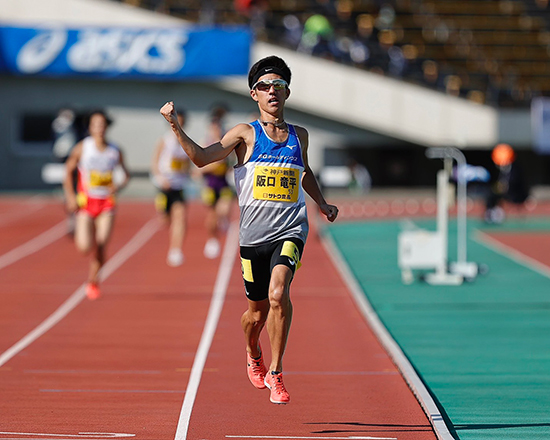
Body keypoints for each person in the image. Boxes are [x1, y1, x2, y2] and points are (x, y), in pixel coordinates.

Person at [160, 55, 338, 404]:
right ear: (254, 94)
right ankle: (252, 350)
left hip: (290, 230)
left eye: (279, 86)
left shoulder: (299, 135)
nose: (273, 91)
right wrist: (174, 126)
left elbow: (305, 172)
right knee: (255, 313)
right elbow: (199, 158)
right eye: (265, 87)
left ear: (287, 93)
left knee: (278, 294)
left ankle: (276, 372)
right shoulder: (244, 134)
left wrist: (321, 203)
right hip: (252, 238)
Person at [63, 110, 130, 300]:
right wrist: (70, 196)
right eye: (95, 125)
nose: (99, 129)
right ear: (90, 128)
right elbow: (67, 172)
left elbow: (126, 175)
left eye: (102, 125)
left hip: (107, 203)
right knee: (84, 247)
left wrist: (117, 185)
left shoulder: (115, 150)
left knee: (101, 245)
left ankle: (93, 280)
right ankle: (88, 232)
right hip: (86, 202)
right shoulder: (83, 148)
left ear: (107, 127)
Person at [151, 108, 191, 267]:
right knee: (165, 220)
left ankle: (176, 249)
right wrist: (160, 179)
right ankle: (163, 213)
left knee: (180, 217)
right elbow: (155, 162)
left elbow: (188, 160)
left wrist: (189, 173)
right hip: (164, 186)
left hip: (179, 185)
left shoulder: (186, 140)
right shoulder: (164, 140)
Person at [199, 104, 235, 259]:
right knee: (212, 214)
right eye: (214, 126)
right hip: (210, 183)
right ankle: (212, 239)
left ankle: (223, 220)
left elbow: (232, 160)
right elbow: (199, 167)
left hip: (223, 182)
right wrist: (214, 165)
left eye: (219, 125)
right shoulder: (205, 142)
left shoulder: (226, 141)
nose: (216, 128)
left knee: (224, 209)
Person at [484, 143, 529, 224]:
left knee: (497, 194)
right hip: (505, 191)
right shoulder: (503, 170)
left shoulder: (515, 169)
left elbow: (514, 183)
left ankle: (499, 212)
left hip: (514, 194)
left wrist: (504, 187)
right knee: (491, 193)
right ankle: (491, 212)